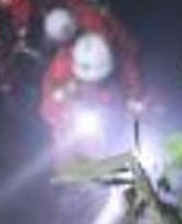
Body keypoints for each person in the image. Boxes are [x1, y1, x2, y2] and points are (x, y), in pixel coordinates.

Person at [39, 33, 137, 169]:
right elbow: (48, 108)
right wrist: (63, 111)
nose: (95, 83)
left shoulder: (120, 64)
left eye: (100, 80)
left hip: (113, 123)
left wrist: (138, 103)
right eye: (90, 81)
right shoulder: (61, 68)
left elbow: (135, 88)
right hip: (75, 130)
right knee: (66, 150)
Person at [71, 0, 144, 99]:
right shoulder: (79, 16)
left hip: (109, 67)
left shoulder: (110, 21)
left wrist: (136, 97)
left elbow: (130, 47)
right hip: (87, 63)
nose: (96, 1)